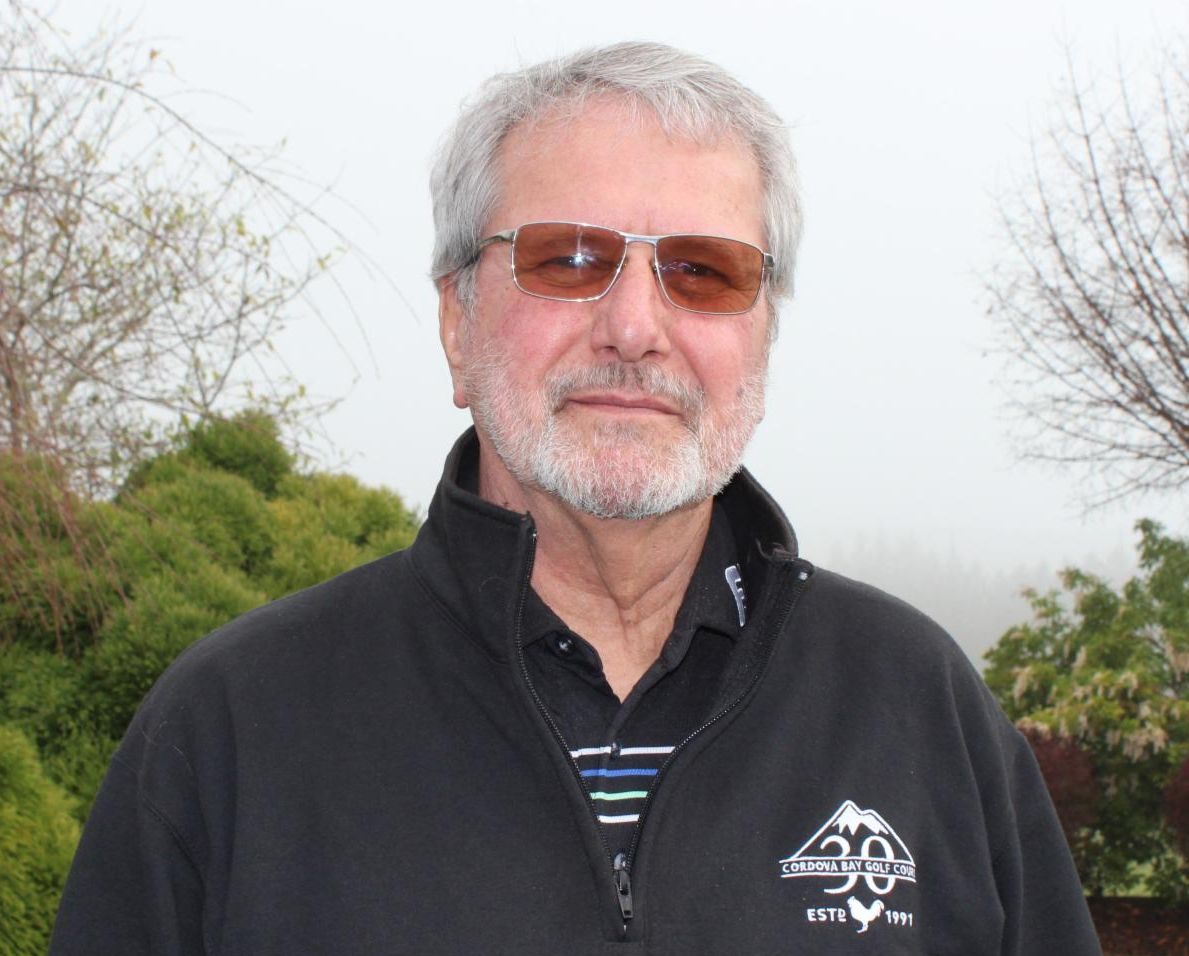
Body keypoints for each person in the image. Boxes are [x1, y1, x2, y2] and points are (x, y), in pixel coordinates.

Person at [50, 41, 1101, 955]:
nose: (634, 327)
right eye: (568, 258)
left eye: (703, 271)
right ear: (457, 322)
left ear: (762, 336)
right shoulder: (233, 730)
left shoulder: (918, 707)